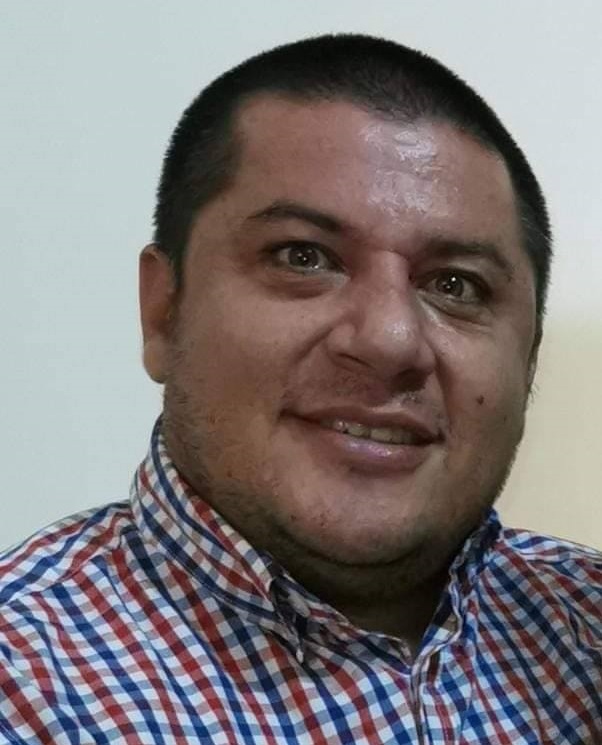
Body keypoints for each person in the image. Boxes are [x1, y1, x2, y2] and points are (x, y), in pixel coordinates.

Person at [0, 33, 600, 744]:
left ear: (528, 358)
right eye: (303, 257)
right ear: (162, 311)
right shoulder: (24, 686)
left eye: (455, 285)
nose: (389, 339)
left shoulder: (585, 634)